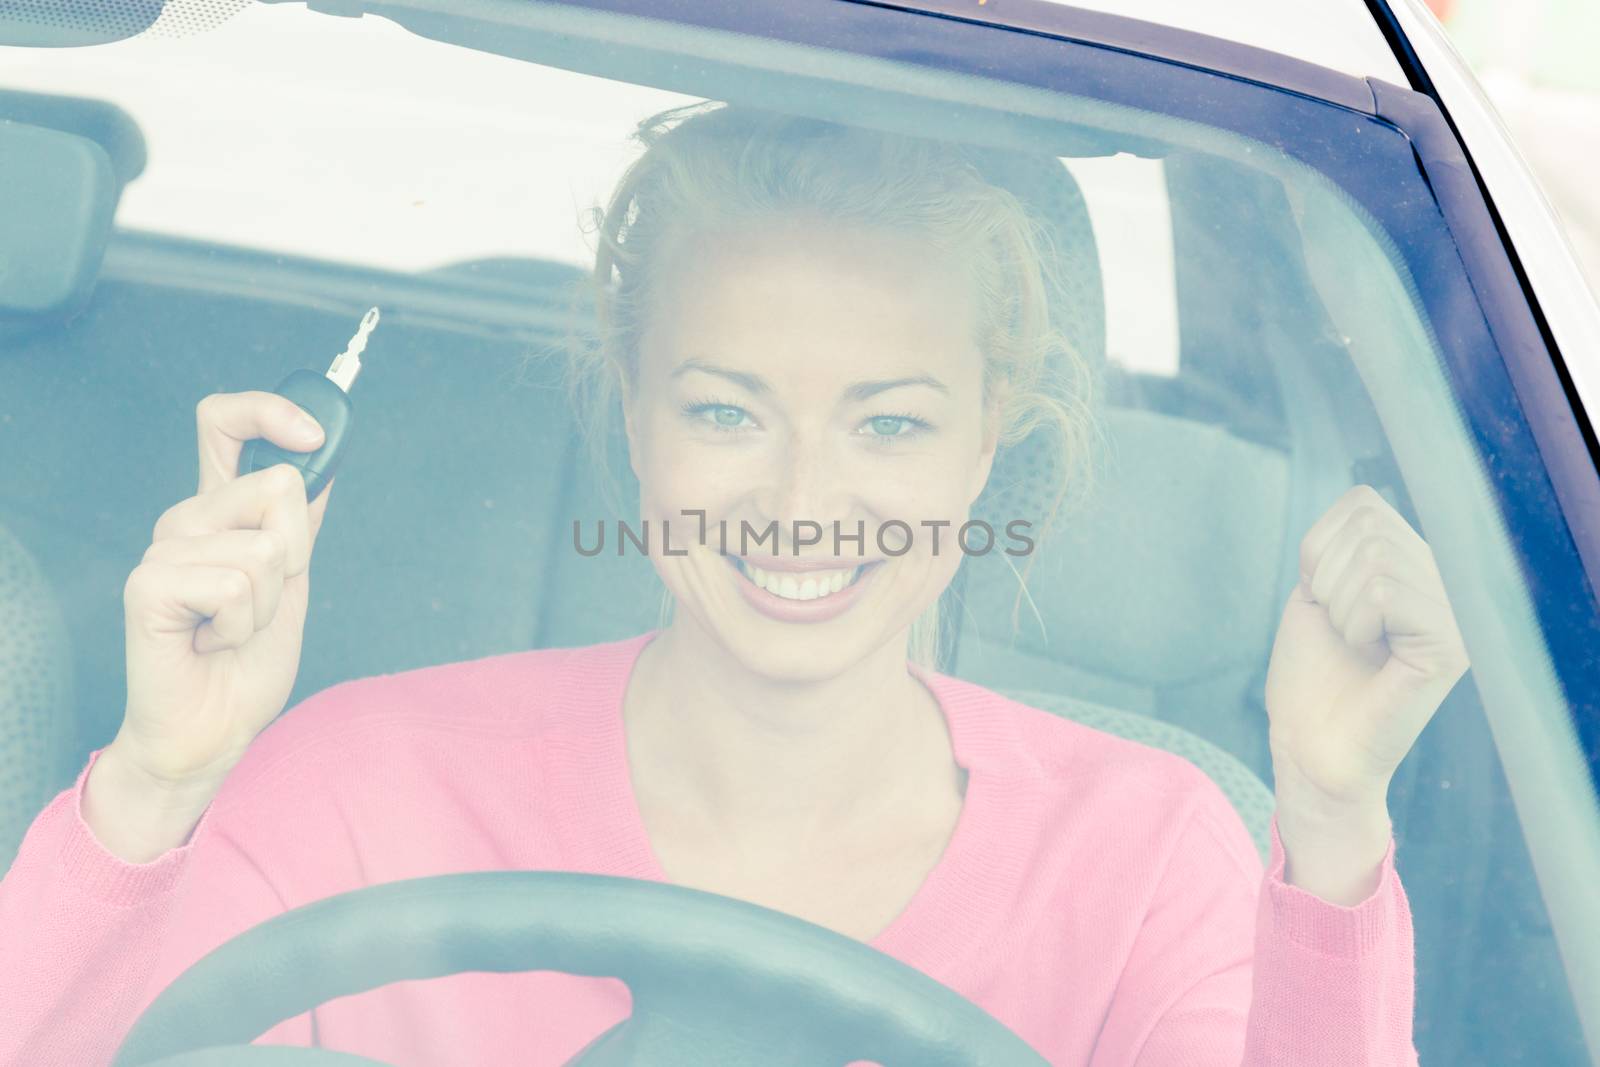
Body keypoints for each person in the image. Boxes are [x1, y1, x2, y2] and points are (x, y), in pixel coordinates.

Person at [0, 103, 1467, 1065]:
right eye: (725, 412)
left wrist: (1331, 823)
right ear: (632, 416)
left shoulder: (1150, 855)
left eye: (889, 423)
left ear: (983, 450)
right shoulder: (353, 786)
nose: (802, 504)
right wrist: (157, 777)